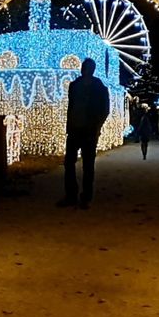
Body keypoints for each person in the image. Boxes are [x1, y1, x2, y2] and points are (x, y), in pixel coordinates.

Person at [59, 58, 110, 209]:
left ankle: (85, 197)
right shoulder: (74, 85)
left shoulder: (99, 86)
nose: (85, 70)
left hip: (89, 131)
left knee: (88, 165)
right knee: (69, 163)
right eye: (84, 67)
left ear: (92, 69)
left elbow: (105, 109)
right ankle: (71, 195)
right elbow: (71, 106)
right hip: (75, 129)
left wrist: (97, 126)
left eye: (88, 67)